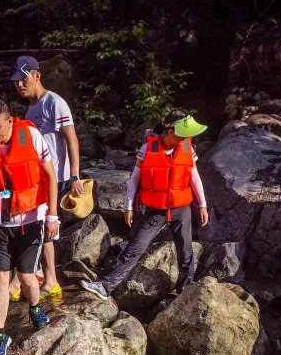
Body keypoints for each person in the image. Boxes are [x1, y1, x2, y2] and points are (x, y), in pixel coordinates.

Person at [0, 97, 59, 355]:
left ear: (8, 120)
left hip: (31, 219)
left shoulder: (31, 135)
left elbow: (50, 176)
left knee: (27, 277)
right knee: (0, 280)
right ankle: (0, 334)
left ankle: (35, 307)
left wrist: (53, 217)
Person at [79, 111, 209, 300]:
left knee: (186, 251)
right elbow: (134, 180)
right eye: (184, 134)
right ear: (170, 131)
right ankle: (105, 286)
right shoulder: (148, 148)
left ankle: (185, 290)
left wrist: (203, 205)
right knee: (135, 248)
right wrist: (129, 206)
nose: (188, 138)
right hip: (156, 210)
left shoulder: (188, 148)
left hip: (181, 208)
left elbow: (195, 178)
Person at [11, 55, 82, 300]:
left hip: (57, 178)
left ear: (37, 74)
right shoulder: (30, 109)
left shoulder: (55, 103)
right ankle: (39, 272)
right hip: (35, 178)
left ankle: (51, 280)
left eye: (24, 78)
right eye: (16, 81)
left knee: (47, 227)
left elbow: (71, 140)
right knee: (35, 226)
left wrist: (75, 176)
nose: (20, 84)